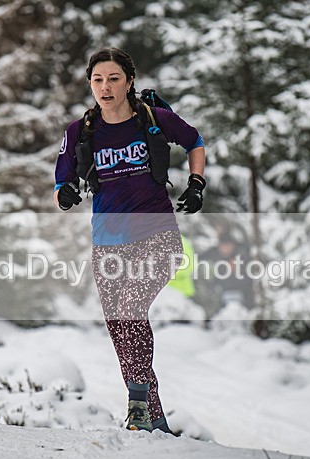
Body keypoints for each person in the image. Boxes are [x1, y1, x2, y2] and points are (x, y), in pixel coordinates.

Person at [53, 47, 206, 434]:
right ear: (90, 84)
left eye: (113, 79)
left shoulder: (153, 119)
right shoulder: (80, 131)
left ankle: (136, 404)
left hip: (157, 235)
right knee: (121, 330)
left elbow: (195, 141)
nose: (105, 87)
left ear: (129, 82)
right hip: (107, 243)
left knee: (131, 309)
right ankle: (154, 421)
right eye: (97, 80)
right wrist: (64, 194)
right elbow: (61, 186)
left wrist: (196, 183)